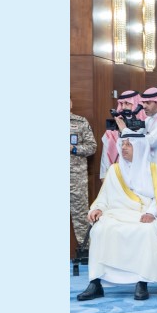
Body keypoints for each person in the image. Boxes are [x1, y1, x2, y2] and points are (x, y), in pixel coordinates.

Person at [77, 131, 157, 301]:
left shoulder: (154, 170)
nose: (124, 148)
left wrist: (151, 213)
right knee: (99, 230)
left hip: (144, 214)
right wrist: (98, 208)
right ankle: (95, 282)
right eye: (122, 144)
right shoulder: (114, 170)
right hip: (117, 213)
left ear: (140, 147)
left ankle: (142, 282)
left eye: (129, 144)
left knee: (146, 231)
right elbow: (104, 198)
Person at [70, 98, 98, 250]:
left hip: (76, 179)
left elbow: (92, 147)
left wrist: (74, 149)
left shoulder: (80, 122)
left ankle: (86, 251)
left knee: (81, 217)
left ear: (71, 103)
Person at [99, 90, 144, 178]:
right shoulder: (112, 130)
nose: (123, 107)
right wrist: (104, 177)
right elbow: (105, 159)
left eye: (127, 103)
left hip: (139, 175)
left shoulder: (144, 126)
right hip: (117, 176)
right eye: (121, 104)